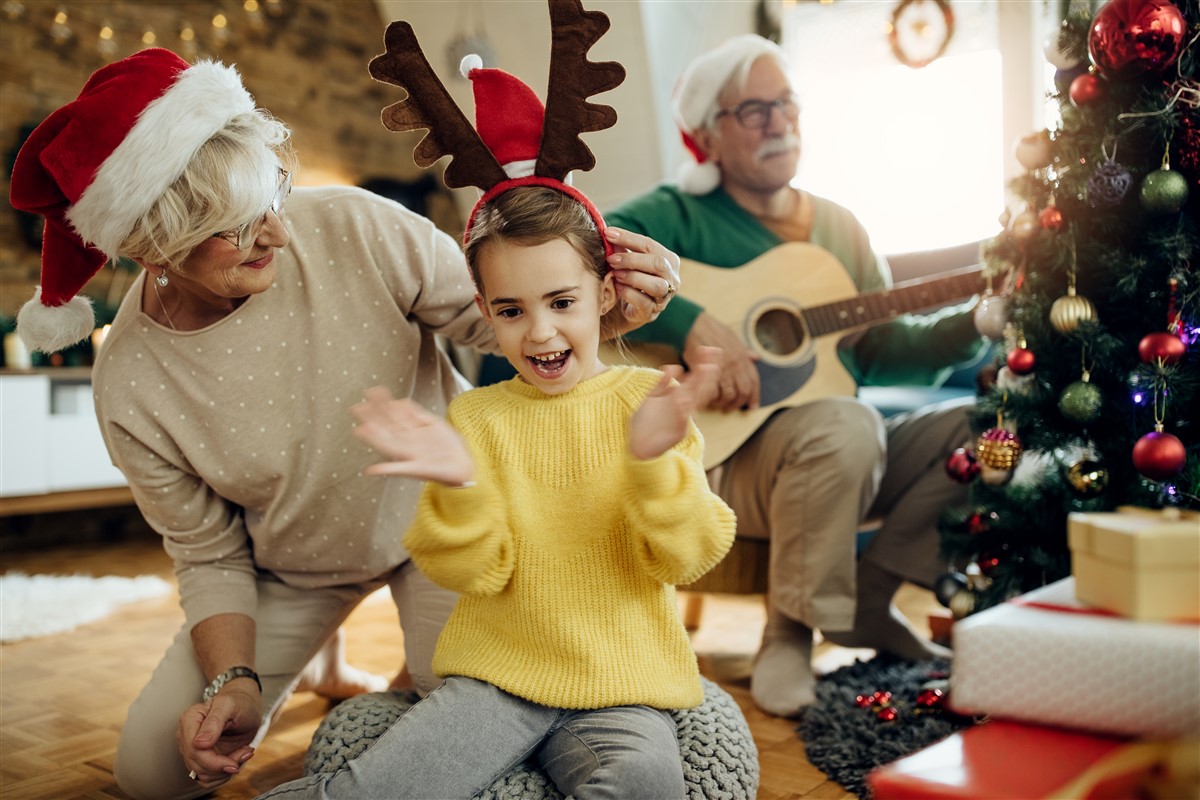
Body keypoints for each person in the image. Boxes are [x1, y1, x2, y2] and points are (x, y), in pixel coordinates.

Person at [8, 47, 682, 800]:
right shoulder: (131, 383)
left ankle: (368, 679)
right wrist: (233, 681)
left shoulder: (354, 224)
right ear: (149, 247)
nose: (279, 235)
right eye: (237, 226)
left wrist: (610, 307)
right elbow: (207, 554)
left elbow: (504, 321)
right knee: (154, 776)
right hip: (291, 570)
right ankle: (319, 660)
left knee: (474, 703)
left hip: (450, 527)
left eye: (273, 199)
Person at [258, 181, 736, 800]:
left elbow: (687, 557)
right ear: (485, 312)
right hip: (497, 683)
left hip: (621, 689)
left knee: (646, 780)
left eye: (562, 302)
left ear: (606, 295)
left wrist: (651, 464)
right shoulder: (476, 418)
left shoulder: (648, 406)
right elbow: (473, 571)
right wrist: (458, 485)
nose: (539, 333)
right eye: (511, 311)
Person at [604, 34, 988, 719]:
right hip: (723, 463)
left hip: (839, 456)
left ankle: (871, 600)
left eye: (786, 103)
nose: (778, 122)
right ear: (707, 135)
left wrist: (973, 325)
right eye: (753, 110)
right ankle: (788, 632)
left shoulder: (842, 229)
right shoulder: (674, 216)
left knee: (979, 423)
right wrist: (690, 321)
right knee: (846, 423)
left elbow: (878, 353)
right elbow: (587, 253)